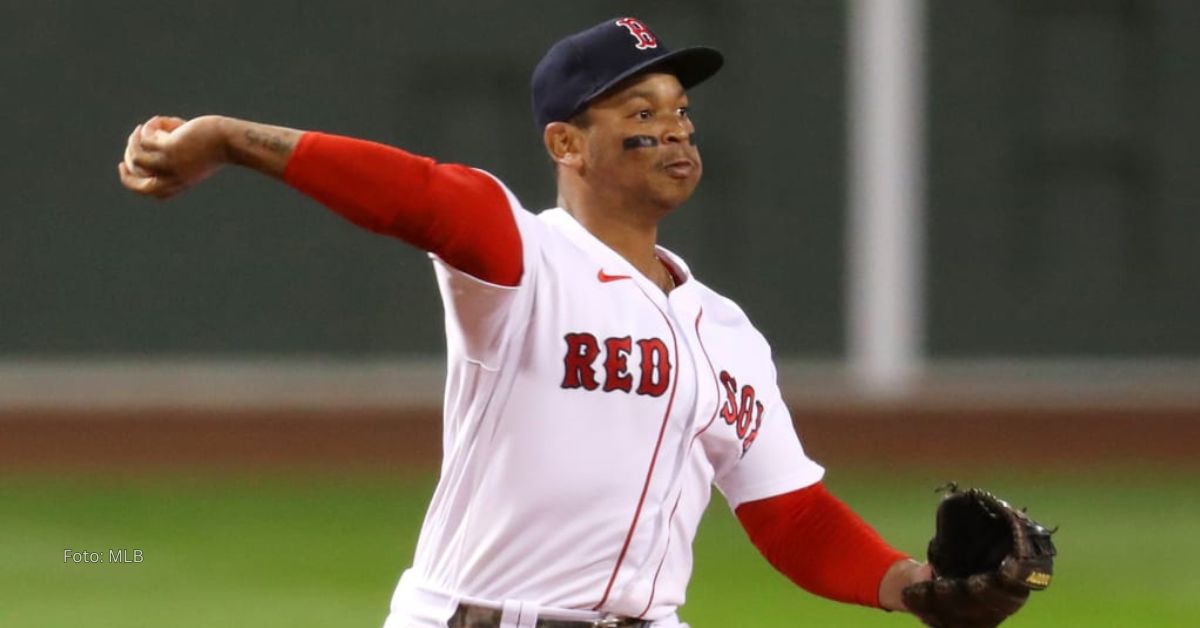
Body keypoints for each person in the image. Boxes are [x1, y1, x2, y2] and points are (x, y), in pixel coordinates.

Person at [119, 16, 931, 628]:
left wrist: (918, 589)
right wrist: (229, 140)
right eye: (640, 109)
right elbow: (426, 197)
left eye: (682, 109)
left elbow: (791, 515)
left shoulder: (725, 329)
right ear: (566, 144)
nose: (676, 127)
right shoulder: (527, 262)